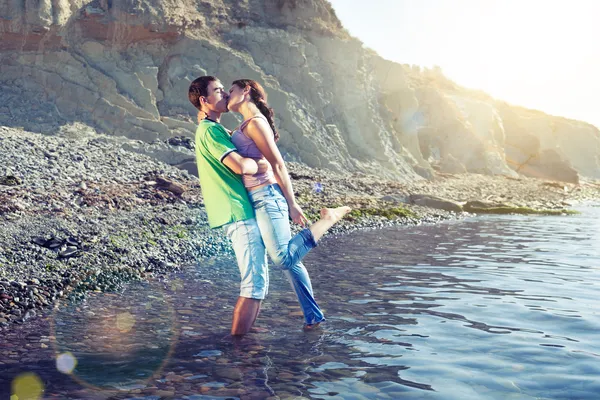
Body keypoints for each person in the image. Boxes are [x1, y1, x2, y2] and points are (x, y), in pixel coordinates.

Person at [224, 78, 351, 329]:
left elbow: (278, 164)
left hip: (267, 197)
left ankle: (328, 219)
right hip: (258, 198)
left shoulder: (256, 123)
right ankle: (314, 317)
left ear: (246, 91)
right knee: (292, 262)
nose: (228, 96)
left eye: (231, 90)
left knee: (283, 258)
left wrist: (292, 204)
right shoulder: (247, 124)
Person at [188, 76, 269, 336]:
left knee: (258, 282)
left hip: (238, 210)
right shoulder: (210, 131)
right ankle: (238, 348)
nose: (224, 94)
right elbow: (240, 165)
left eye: (224, 89)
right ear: (204, 100)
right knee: (253, 284)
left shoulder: (214, 128)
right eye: (218, 90)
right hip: (237, 211)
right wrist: (259, 164)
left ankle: (246, 338)